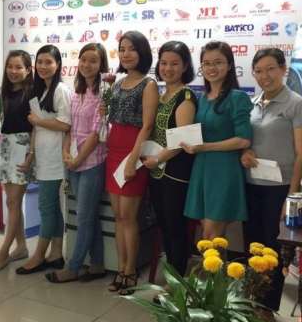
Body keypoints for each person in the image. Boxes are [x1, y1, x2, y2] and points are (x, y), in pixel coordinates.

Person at [241, 48, 302, 320]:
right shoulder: (252, 103)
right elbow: (247, 141)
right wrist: (245, 153)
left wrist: (292, 196)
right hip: (251, 184)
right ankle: (251, 298)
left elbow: (301, 153)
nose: (264, 76)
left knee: (272, 247)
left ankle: (267, 306)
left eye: (270, 69)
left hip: (281, 188)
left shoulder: (295, 104)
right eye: (258, 70)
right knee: (253, 244)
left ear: (283, 69)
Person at [46, 43, 108, 283]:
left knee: (83, 217)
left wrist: (78, 160)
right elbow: (69, 128)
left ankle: (73, 267)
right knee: (89, 216)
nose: (87, 65)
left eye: (93, 61)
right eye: (83, 60)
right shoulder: (77, 92)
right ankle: (98, 264)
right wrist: (66, 154)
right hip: (73, 161)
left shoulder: (104, 93)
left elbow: (97, 133)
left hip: (92, 162)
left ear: (101, 64)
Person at [105, 31, 159, 295]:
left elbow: (147, 125)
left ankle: (130, 271)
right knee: (118, 216)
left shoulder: (149, 84)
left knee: (129, 217)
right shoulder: (117, 83)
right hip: (113, 150)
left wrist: (133, 160)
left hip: (132, 152)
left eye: (131, 49)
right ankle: (120, 268)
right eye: (122, 49)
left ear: (142, 52)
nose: (126, 54)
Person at [183, 41, 253, 239]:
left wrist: (205, 147)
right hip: (202, 167)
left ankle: (213, 263)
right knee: (208, 233)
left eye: (218, 62)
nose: (212, 68)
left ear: (229, 65)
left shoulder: (237, 97)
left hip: (224, 169)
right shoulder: (201, 98)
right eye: (206, 63)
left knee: (211, 233)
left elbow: (244, 140)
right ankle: (215, 262)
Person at [143, 41, 197, 277]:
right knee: (164, 225)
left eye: (174, 64)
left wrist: (157, 159)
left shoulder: (186, 96)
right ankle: (171, 277)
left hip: (175, 172)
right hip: (157, 171)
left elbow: (182, 140)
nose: (168, 68)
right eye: (163, 63)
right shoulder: (163, 94)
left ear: (185, 66)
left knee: (176, 228)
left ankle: (177, 282)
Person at [16, 44, 71, 275]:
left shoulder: (60, 90)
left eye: (49, 62)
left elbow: (65, 124)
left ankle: (38, 255)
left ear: (58, 65)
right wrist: (31, 155)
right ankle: (56, 253)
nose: (43, 66)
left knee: (46, 207)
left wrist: (37, 121)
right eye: (40, 62)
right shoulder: (41, 91)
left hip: (56, 158)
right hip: (44, 157)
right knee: (53, 209)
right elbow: (37, 129)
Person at [0, 50, 34, 272]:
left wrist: (31, 153)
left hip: (23, 147)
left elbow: (36, 126)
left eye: (19, 67)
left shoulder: (32, 93)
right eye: (10, 67)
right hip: (5, 146)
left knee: (14, 201)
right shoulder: (2, 93)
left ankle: (4, 251)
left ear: (28, 70)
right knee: (11, 202)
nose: (13, 71)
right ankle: (21, 246)